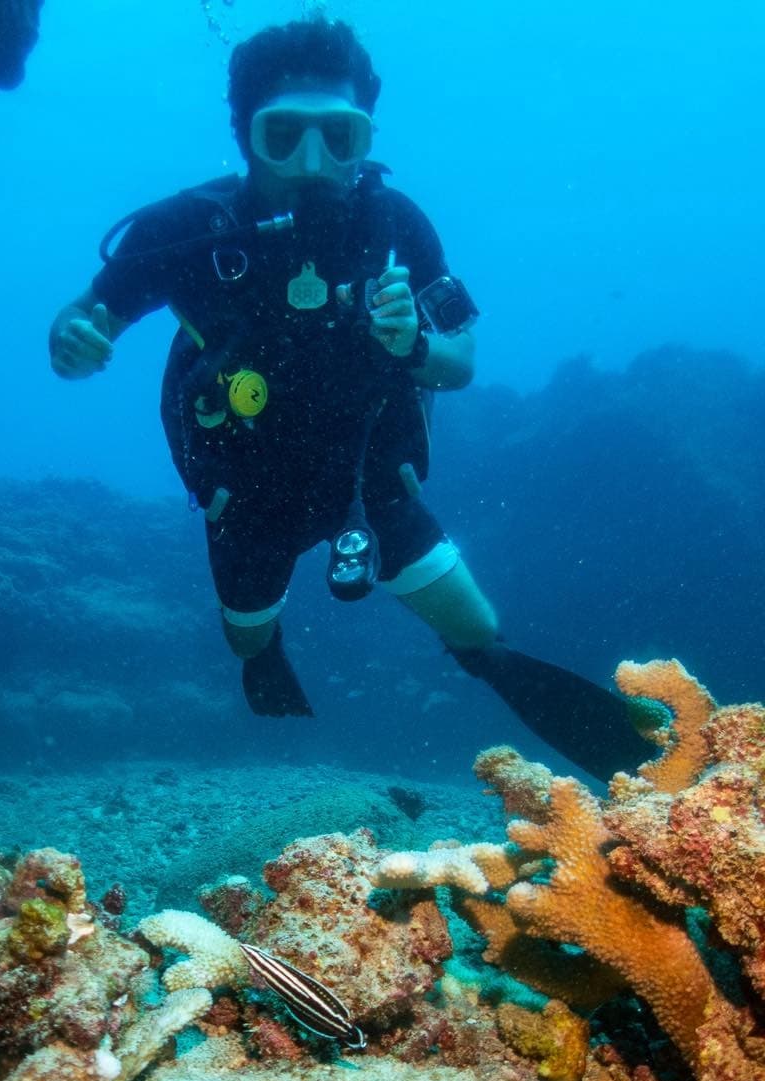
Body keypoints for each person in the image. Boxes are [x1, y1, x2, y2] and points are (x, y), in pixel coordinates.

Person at [48, 17, 652, 782]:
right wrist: (73, 346)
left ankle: (576, 727)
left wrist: (415, 346)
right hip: (247, 492)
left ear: (365, 136)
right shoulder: (184, 229)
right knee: (246, 639)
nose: (312, 162)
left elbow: (461, 362)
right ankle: (266, 656)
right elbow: (79, 322)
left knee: (479, 629)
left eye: (339, 136)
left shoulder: (396, 226)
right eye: (283, 135)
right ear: (244, 135)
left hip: (371, 478)